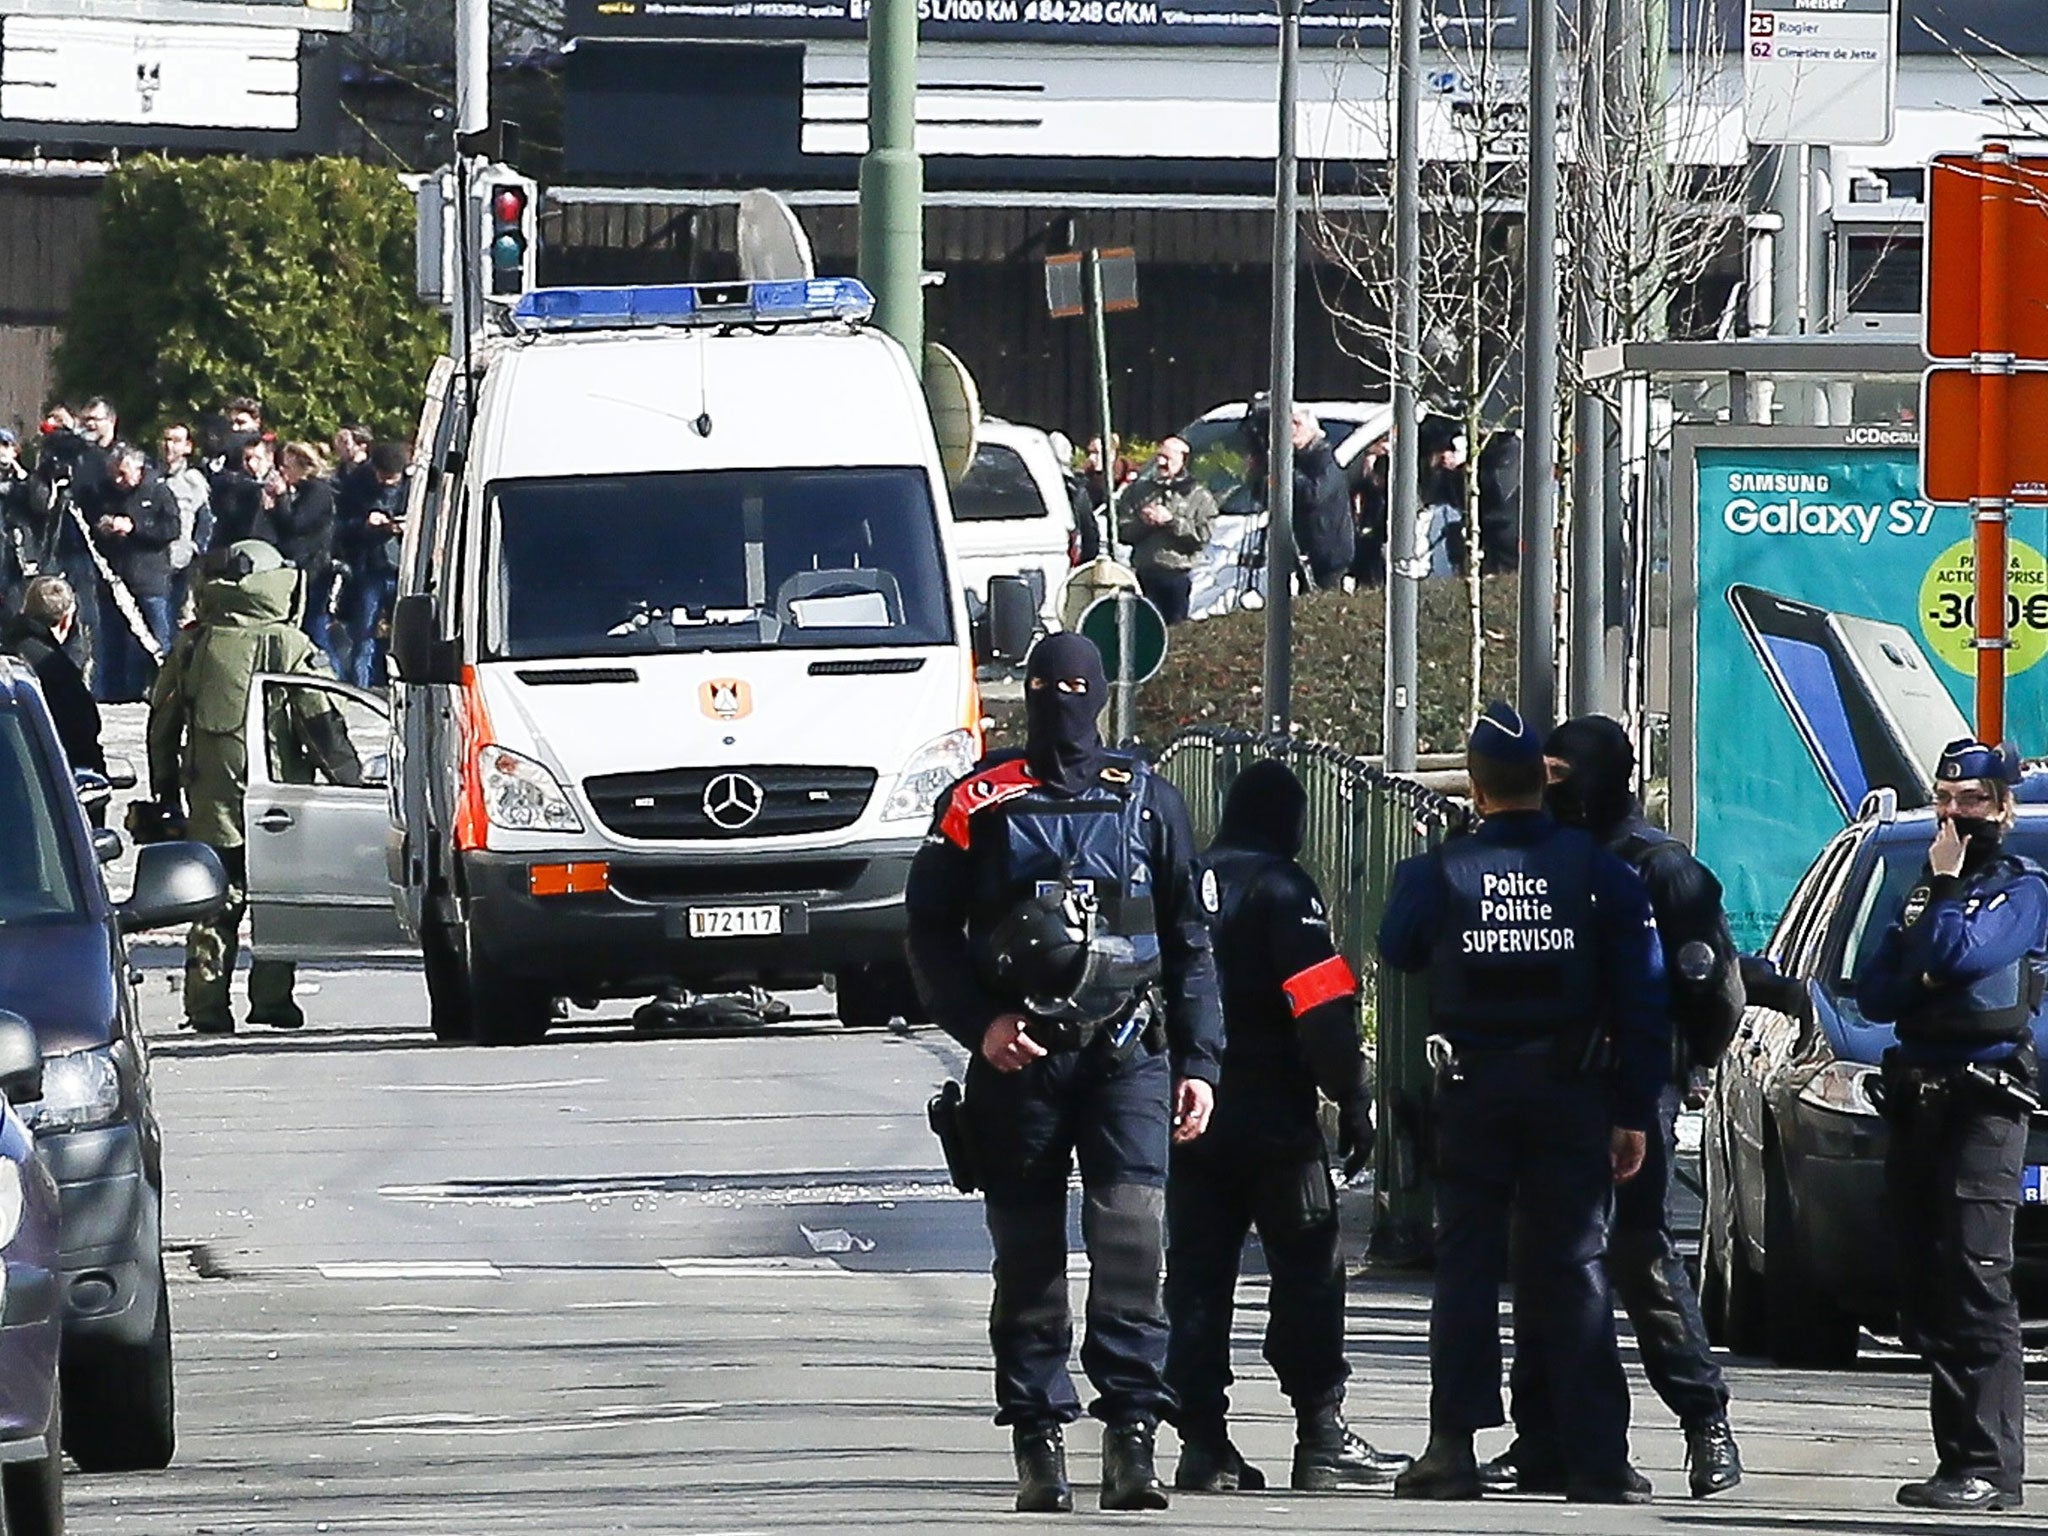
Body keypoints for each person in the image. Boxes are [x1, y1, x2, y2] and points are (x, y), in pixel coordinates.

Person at [904, 631, 1223, 1515]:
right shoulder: (978, 802)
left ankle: (1132, 1436)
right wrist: (983, 1024)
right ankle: (1039, 1439)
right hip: (1020, 1061)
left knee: (1131, 1244)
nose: (1062, 709)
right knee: (1030, 1258)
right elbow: (927, 933)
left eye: (1075, 691)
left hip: (1128, 1052)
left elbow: (1192, 946)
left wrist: (1201, 1063)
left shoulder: (1148, 802)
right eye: (1047, 691)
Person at [1376, 702, 1667, 1504]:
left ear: (1474, 789)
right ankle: (1597, 1457)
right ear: (1541, 782)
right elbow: (1644, 996)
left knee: (1466, 1265)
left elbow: (1397, 948)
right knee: (1573, 1266)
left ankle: (1452, 1447)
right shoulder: (1600, 872)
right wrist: (1634, 1109)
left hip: (1472, 1089)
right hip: (1572, 1091)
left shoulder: (1441, 871)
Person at [1479, 715, 1744, 1498]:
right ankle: (1544, 1437)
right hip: (1549, 1086)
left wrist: (1679, 1066)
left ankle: (1706, 1423)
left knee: (1638, 1255)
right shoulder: (1537, 857)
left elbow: (1711, 987)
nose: (1550, 787)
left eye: (1563, 773)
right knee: (1542, 1259)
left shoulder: (1661, 867)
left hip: (1630, 1088)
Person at [1164, 758, 1410, 1494]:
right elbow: (1322, 1008)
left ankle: (1202, 1442)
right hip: (1275, 1120)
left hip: (1192, 1112)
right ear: (1289, 822)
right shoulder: (1285, 889)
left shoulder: (1191, 880)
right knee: (1308, 1270)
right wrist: (1355, 1098)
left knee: (1198, 1281)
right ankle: (1321, 1433)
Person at [1855, 737, 2043, 1513]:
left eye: (1970, 802)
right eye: (1943, 799)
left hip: (1982, 1103)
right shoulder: (1922, 888)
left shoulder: (2020, 887)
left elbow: (1959, 955)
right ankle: (1954, 1458)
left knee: (1975, 1277)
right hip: (1918, 1099)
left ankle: (1991, 1466)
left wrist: (1937, 905)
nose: (1954, 814)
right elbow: (1876, 990)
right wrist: (1930, 923)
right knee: (1929, 1282)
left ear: (2000, 806)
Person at [145, 541, 361, 1035]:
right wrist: (351, 783)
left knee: (212, 904)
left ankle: (205, 1005)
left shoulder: (194, 644)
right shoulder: (288, 645)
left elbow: (163, 721)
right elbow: (321, 721)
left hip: (209, 802)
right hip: (279, 804)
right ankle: (272, 1000)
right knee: (275, 901)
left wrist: (164, 790)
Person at [92, 443, 180, 702]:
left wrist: (136, 527)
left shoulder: (159, 491)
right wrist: (105, 527)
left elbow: (172, 529)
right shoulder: (107, 492)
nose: (118, 480)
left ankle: (161, 692)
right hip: (115, 579)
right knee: (112, 639)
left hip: (149, 579)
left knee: (155, 639)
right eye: (114, 474)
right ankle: (114, 692)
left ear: (138, 469)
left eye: (123, 474)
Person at [2, 576, 103, 775]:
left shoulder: (6, 644)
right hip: (41, 777)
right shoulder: (56, 668)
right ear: (65, 620)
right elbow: (82, 729)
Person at [1115, 438, 1216, 626]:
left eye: (1167, 458)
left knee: (1176, 630)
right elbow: (1122, 532)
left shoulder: (1199, 496)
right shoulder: (1138, 491)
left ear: (1183, 460)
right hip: (1144, 576)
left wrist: (1171, 521)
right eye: (1159, 456)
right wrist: (1145, 522)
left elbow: (1202, 537)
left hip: (1177, 575)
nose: (1161, 462)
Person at [336, 440, 408, 688]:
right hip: (370, 567)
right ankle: (361, 688)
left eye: (393, 479)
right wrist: (365, 525)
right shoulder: (357, 484)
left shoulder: (414, 485)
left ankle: (402, 686)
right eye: (383, 477)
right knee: (363, 635)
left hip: (403, 566)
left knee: (408, 636)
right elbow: (340, 526)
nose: (387, 483)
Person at [270, 443, 342, 670]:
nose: (283, 472)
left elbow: (296, 524)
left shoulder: (317, 492)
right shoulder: (302, 492)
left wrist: (281, 498)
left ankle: (334, 674)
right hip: (300, 567)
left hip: (314, 570)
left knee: (315, 628)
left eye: (288, 466)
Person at [1287, 410, 1354, 590]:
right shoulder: (1296, 459)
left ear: (1312, 429)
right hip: (1303, 548)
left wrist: (1288, 473)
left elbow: (1314, 494)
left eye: (1297, 423)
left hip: (1329, 553)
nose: (1291, 428)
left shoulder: (1325, 457)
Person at [159, 423, 213, 614]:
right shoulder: (151, 476)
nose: (169, 446)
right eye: (166, 439)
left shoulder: (193, 480)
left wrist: (196, 548)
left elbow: (205, 519)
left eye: (176, 441)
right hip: (156, 560)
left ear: (187, 447)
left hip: (183, 562)